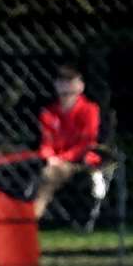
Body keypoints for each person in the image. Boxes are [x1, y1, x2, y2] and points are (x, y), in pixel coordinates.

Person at [31, 65, 103, 219]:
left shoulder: (90, 110)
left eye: (71, 81)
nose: (66, 85)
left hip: (82, 162)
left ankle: (31, 218)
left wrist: (61, 159)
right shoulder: (48, 112)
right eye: (62, 81)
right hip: (54, 162)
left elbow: (87, 143)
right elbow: (46, 142)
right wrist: (49, 156)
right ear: (55, 85)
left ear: (80, 86)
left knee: (48, 174)